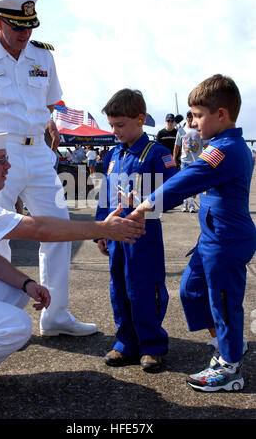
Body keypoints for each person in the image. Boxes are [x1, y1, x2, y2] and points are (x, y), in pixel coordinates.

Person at [0, 128, 145, 408]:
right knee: (15, 326)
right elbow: (40, 227)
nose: (9, 166)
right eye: (2, 160)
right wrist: (103, 228)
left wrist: (28, 285)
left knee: (17, 293)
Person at [0, 0, 96, 338]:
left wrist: (48, 129)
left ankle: (56, 316)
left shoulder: (43, 55)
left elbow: (49, 104)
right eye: (16, 27)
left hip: (37, 152)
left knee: (59, 229)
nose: (24, 34)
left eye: (29, 27)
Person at [129, 74, 256, 391]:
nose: (194, 123)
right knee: (192, 291)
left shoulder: (224, 150)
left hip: (226, 240)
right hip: (212, 238)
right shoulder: (220, 145)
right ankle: (228, 345)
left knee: (225, 303)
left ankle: (229, 368)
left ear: (221, 114)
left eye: (199, 116)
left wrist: (145, 206)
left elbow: (187, 181)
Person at [95, 89, 177, 372]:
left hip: (143, 236)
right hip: (116, 236)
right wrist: (100, 231)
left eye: (120, 125)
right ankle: (125, 343)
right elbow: (105, 196)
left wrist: (144, 203)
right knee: (119, 288)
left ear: (140, 119)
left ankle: (152, 346)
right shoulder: (113, 156)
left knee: (144, 289)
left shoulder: (157, 154)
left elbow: (173, 193)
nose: (115, 131)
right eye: (112, 126)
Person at [173, 110, 205, 213]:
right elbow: (177, 146)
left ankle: (192, 204)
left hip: (196, 161)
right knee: (184, 183)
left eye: (192, 116)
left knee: (194, 184)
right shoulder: (181, 130)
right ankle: (185, 202)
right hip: (184, 161)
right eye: (188, 116)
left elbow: (206, 145)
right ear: (186, 118)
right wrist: (174, 159)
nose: (190, 118)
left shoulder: (200, 130)